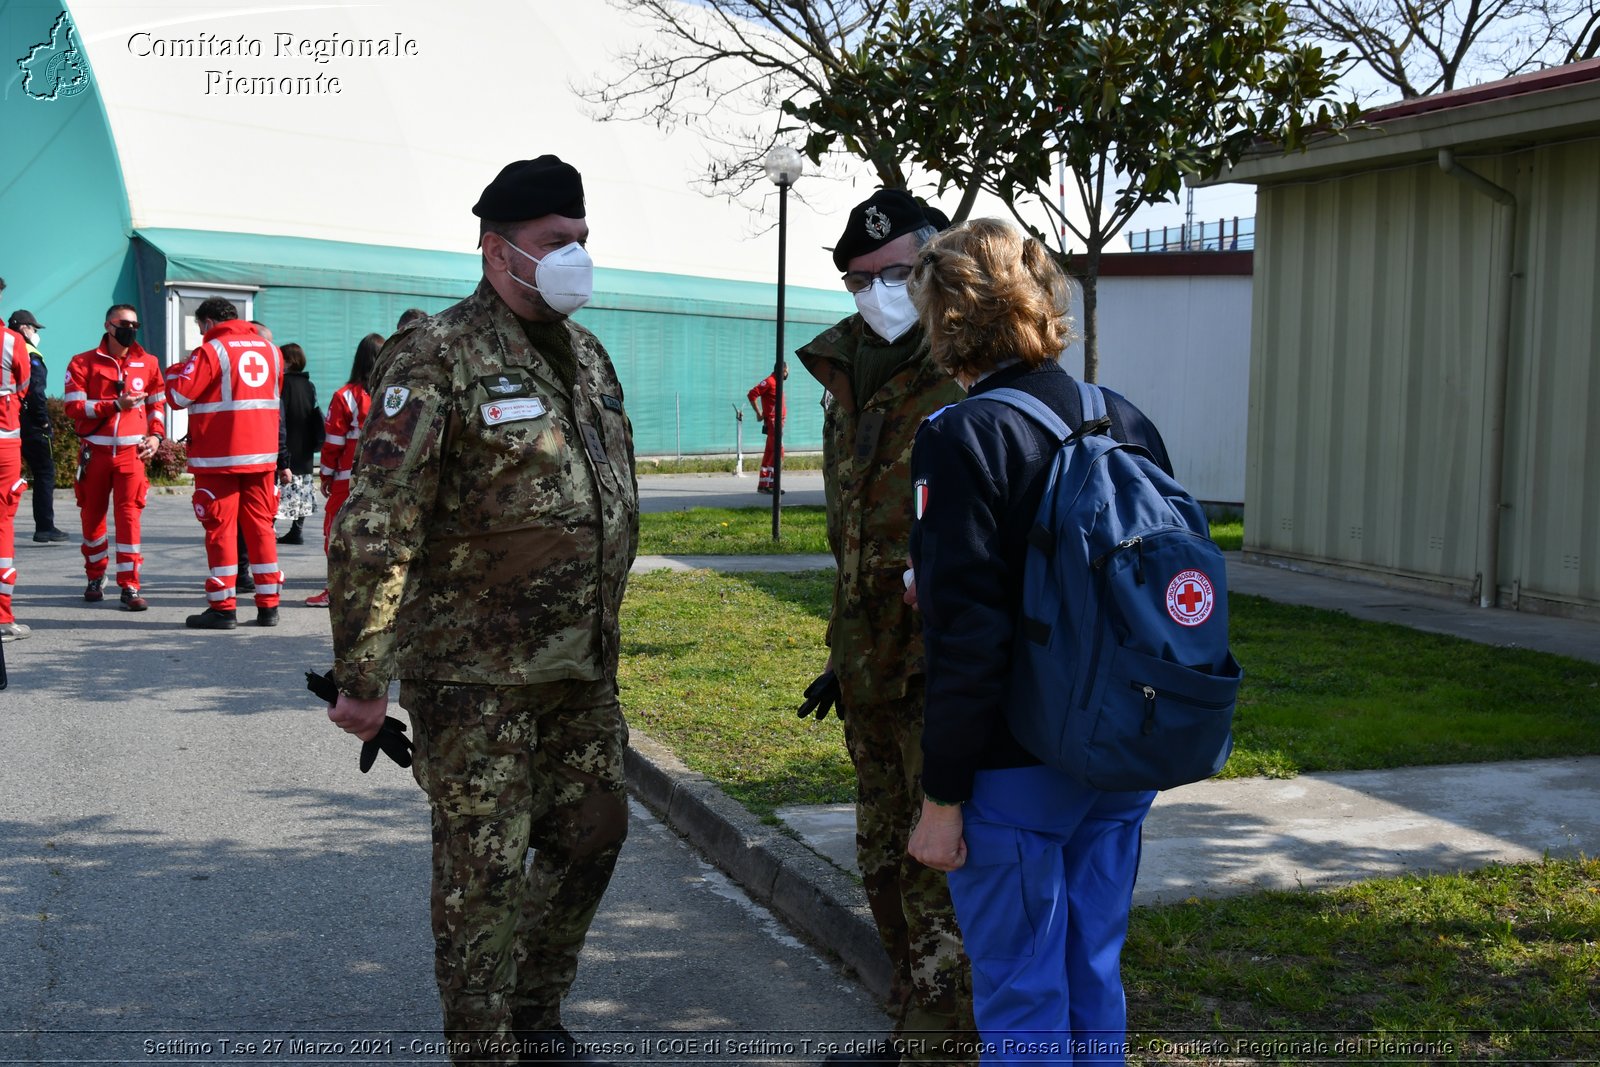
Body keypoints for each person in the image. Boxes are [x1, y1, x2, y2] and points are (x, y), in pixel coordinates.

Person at [325, 154, 638, 1066]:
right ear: (501, 251)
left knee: (593, 833)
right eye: (555, 243)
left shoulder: (586, 353)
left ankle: (535, 1015)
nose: (575, 257)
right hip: (476, 674)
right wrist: (362, 675)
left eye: (582, 240)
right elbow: (376, 524)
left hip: (581, 665)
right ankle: (485, 1046)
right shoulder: (435, 356)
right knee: (484, 874)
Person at [904, 219, 1174, 1064]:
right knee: (1095, 979)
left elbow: (968, 639)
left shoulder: (960, 435)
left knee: (1022, 1000)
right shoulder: (1123, 416)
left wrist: (941, 801)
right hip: (1118, 753)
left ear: (948, 314)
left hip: (1015, 771)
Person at [793, 189, 976, 1065]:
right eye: (859, 279)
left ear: (937, 263)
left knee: (939, 869)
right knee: (880, 862)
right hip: (869, 665)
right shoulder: (849, 370)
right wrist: (844, 654)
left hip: (947, 668)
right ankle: (914, 1026)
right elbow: (855, 536)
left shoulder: (973, 367)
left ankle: (944, 1048)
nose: (876, 293)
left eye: (896, 273)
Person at [164, 298, 284, 630]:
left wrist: (177, 369)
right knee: (261, 529)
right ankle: (269, 605)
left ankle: (223, 607)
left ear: (207, 322)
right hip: (262, 457)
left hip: (220, 458)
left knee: (221, 531)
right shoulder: (271, 350)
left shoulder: (211, 350)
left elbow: (177, 397)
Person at [64, 305, 168, 611]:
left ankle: (130, 584)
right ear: (109, 326)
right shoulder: (82, 362)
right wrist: (114, 406)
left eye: (135, 324)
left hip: (131, 455)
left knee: (129, 519)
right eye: (125, 324)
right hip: (94, 453)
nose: (131, 329)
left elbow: (157, 403)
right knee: (92, 517)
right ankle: (95, 577)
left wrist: (157, 436)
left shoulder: (148, 362)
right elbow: (73, 407)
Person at [304, 333, 378, 608]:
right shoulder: (395, 391)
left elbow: (333, 441)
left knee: (336, 532)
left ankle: (336, 590)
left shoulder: (346, 396)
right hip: (384, 478)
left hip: (348, 479)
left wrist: (325, 474)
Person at [12, 311, 69, 544]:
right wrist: (44, 421)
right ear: (24, 328)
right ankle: (45, 527)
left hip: (9, 421)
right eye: (34, 329)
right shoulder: (29, 352)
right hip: (31, 424)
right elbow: (36, 392)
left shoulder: (6, 346)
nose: (36, 334)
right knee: (45, 473)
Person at [0, 303, 31, 640]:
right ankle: (2, 618)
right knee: (2, 524)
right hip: (4, 444)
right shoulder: (11, 341)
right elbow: (22, 385)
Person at [275, 342, 320, 546]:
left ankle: (268, 527)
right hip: (305, 445)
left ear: (289, 361)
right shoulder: (308, 385)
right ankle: (297, 530)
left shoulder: (281, 383)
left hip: (285, 442)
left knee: (277, 489)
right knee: (302, 489)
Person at [746, 363, 787, 494]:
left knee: (770, 452)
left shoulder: (776, 382)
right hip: (774, 423)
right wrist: (759, 413)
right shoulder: (770, 382)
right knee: (777, 453)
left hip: (776, 423)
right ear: (783, 371)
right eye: (787, 371)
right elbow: (752, 394)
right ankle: (771, 484)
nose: (787, 374)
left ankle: (764, 485)